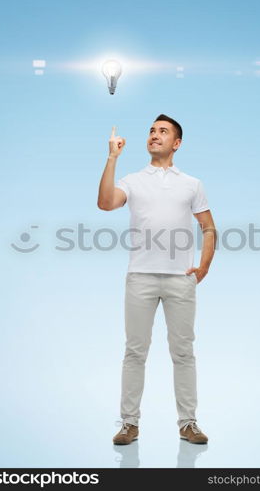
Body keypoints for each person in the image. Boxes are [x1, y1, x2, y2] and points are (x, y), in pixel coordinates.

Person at [98, 114, 216, 445]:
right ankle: (129, 424)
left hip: (180, 280)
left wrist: (203, 267)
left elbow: (209, 227)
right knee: (135, 352)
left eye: (163, 131)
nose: (155, 135)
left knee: (183, 352)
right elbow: (106, 203)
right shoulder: (133, 180)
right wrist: (112, 158)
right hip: (140, 278)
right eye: (151, 130)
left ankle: (188, 423)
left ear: (176, 143)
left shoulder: (192, 183)